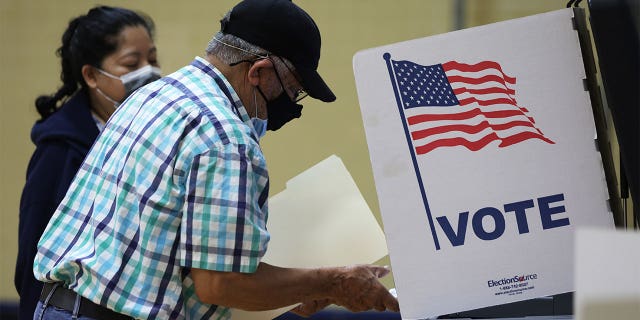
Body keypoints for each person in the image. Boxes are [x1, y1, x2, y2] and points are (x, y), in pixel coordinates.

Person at [33, 0, 399, 319]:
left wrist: (292, 289)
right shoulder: (226, 139)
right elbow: (219, 284)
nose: (293, 103)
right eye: (294, 89)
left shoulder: (153, 97)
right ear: (258, 72)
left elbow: (169, 251)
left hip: (60, 307)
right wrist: (334, 282)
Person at [15, 6, 160, 320]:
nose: (149, 72)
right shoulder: (59, 152)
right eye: (132, 64)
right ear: (92, 75)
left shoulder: (150, 137)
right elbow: (32, 256)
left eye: (153, 59)